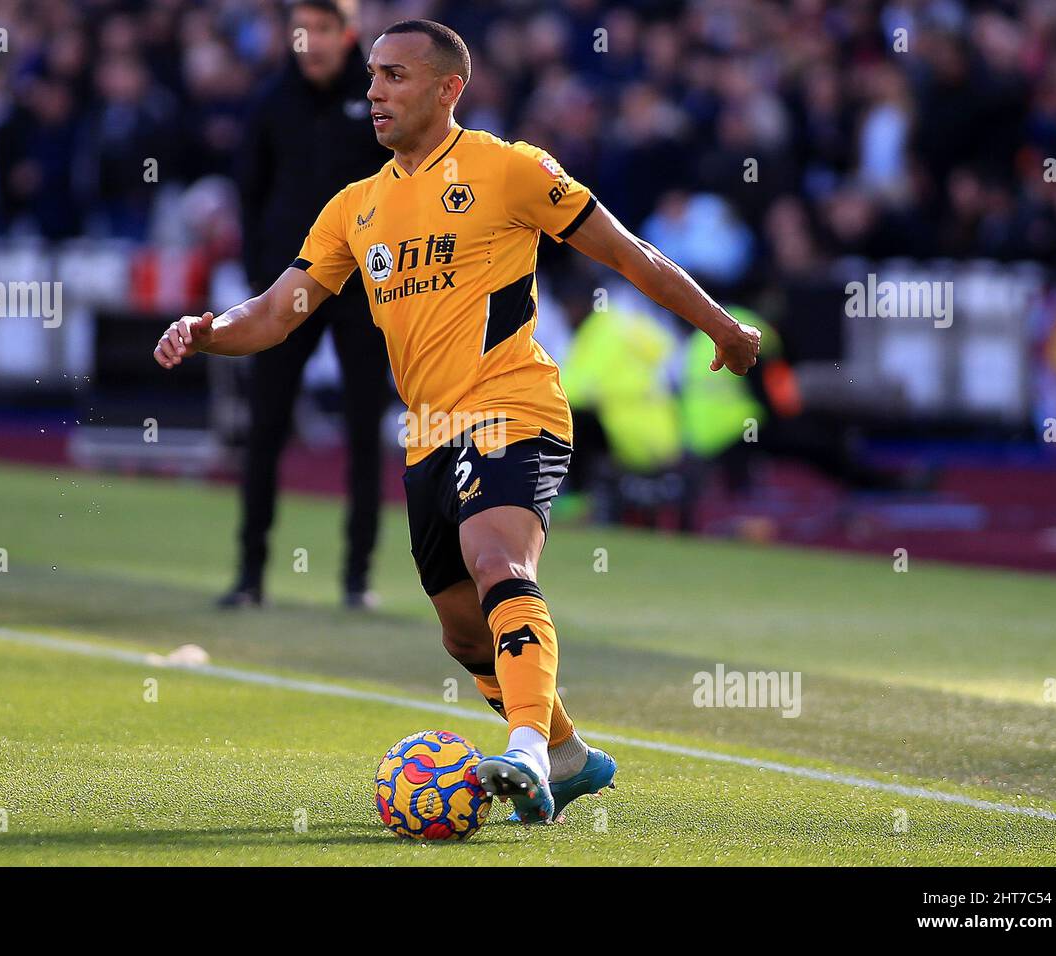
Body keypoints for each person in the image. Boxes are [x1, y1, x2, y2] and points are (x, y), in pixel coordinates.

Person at [155, 20, 760, 824]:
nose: (373, 90)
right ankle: (571, 753)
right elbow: (275, 314)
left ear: (449, 89)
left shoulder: (508, 169)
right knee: (465, 637)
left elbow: (626, 252)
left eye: (395, 76)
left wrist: (722, 326)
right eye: (372, 76)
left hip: (514, 406)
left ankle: (525, 754)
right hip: (428, 433)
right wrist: (207, 330)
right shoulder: (354, 209)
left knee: (497, 560)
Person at [221, 0, 392, 610]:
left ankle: (356, 578)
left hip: (364, 289)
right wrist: (259, 282)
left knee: (364, 431)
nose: (311, 42)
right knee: (265, 427)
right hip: (287, 286)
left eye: (323, 30)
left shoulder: (378, 99)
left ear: (348, 34)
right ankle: (249, 575)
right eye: (302, 30)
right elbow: (249, 196)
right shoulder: (271, 102)